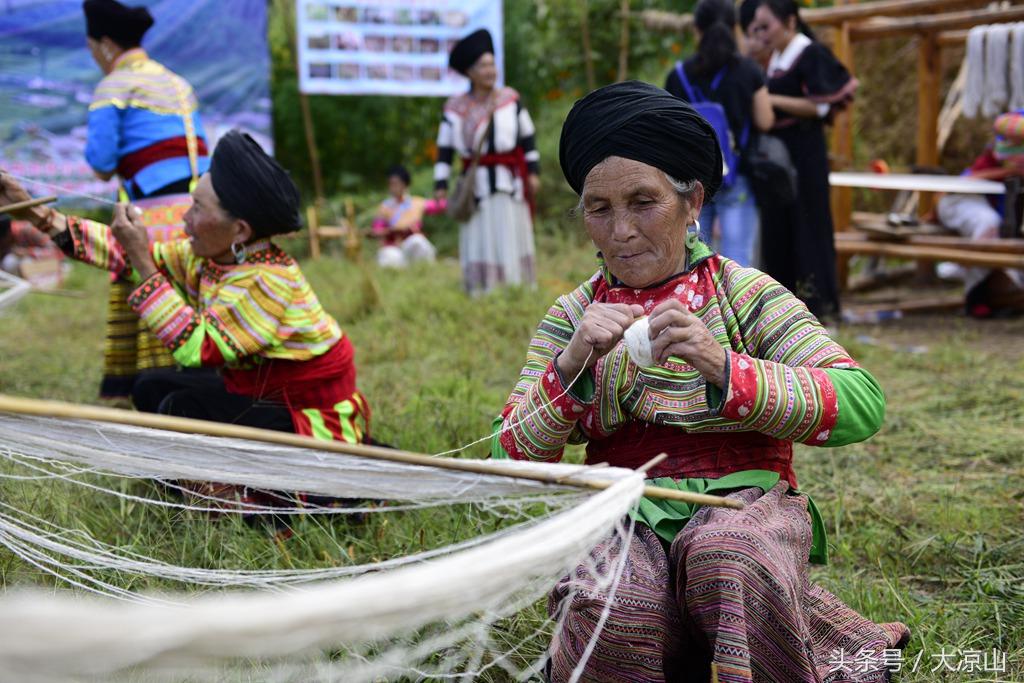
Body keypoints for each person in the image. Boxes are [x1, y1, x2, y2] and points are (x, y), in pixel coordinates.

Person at [492, 82, 908, 683]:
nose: (621, 231)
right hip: (624, 507)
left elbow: (861, 404)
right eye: (598, 208)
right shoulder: (574, 315)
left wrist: (724, 367)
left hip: (745, 505)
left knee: (727, 558)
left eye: (643, 201)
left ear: (694, 202)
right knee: (611, 597)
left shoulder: (747, 295)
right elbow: (514, 449)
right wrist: (571, 364)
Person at [0, 131, 370, 446]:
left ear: (239, 230)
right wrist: (33, 212)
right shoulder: (214, 257)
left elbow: (198, 348)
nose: (184, 218)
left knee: (180, 409)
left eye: (196, 208)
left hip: (304, 413)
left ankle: (233, 498)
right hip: (257, 389)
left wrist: (143, 264)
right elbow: (123, 253)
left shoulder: (267, 281)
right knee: (150, 386)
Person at [83, 0, 211, 399]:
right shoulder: (178, 83)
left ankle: (155, 393)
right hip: (198, 217)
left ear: (104, 44)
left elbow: (101, 164)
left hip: (151, 221)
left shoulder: (114, 87)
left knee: (149, 301)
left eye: (92, 46)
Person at [747, 0, 858, 321]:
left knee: (808, 222)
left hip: (804, 153)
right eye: (758, 28)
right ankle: (784, 303)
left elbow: (821, 107)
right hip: (778, 155)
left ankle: (818, 303)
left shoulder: (810, 53)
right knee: (779, 225)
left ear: (790, 22)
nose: (762, 34)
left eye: (766, 27)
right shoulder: (775, 59)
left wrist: (771, 99)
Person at [665, 0, 774, 267]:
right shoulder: (748, 71)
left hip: (691, 182)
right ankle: (739, 309)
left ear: (696, 29)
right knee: (739, 263)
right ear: (734, 27)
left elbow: (667, 129)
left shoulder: (678, 76)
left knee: (691, 262)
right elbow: (765, 120)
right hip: (737, 177)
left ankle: (694, 309)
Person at [433, 28, 540, 295]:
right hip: (474, 186)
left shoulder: (509, 100)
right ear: (470, 73)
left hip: (509, 182)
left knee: (509, 231)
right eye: (484, 66)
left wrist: (534, 172)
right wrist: (441, 183)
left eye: (492, 64)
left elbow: (527, 137)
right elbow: (445, 148)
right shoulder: (455, 108)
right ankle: (482, 288)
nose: (491, 71)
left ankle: (516, 286)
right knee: (480, 234)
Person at [936, 109, 1024, 317]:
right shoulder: (994, 156)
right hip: (965, 203)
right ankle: (972, 288)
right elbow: (966, 182)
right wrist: (1006, 172)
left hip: (997, 212)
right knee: (989, 226)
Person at [371, 164, 442, 269]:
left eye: (396, 184)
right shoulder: (385, 207)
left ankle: (425, 271)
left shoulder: (417, 203)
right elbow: (376, 230)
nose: (393, 187)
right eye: (391, 184)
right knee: (388, 256)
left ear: (405, 185)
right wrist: (392, 231)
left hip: (411, 246)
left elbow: (440, 206)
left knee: (418, 241)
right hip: (394, 248)